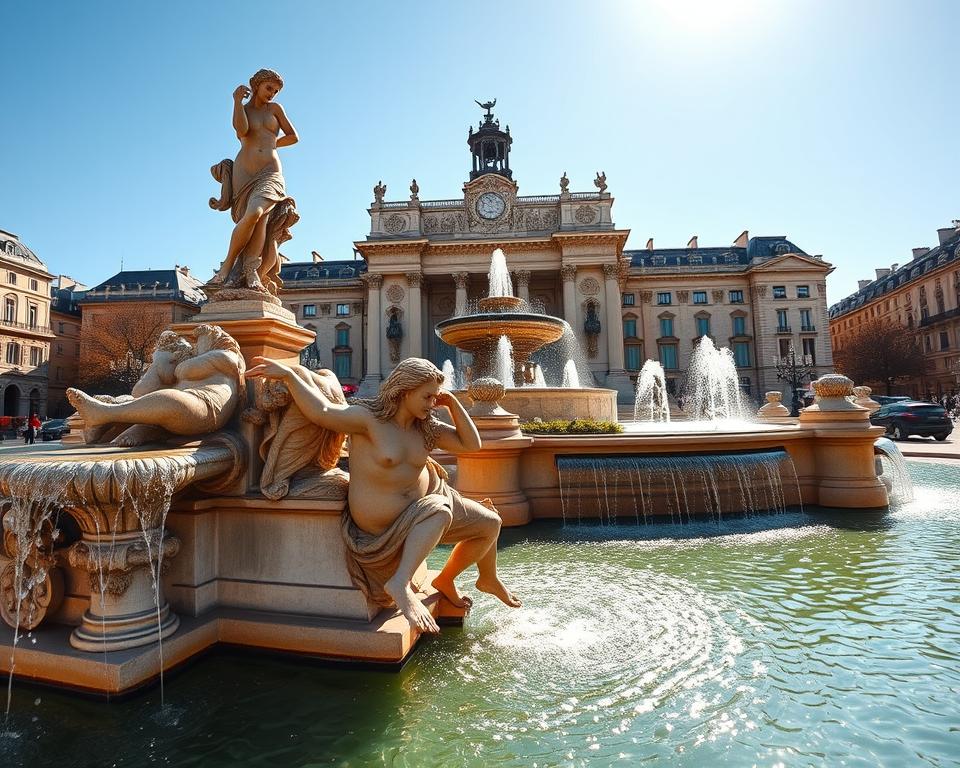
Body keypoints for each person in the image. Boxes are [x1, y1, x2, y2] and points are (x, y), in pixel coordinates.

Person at [244, 356, 521, 634]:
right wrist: (291, 377)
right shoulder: (368, 420)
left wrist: (452, 402)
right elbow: (323, 411)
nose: (431, 403)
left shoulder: (426, 428)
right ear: (405, 391)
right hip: (386, 519)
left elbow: (471, 445)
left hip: (427, 505)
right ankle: (399, 584)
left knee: (490, 523)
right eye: (427, 397)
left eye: (435, 397)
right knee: (438, 509)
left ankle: (476, 578)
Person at [66, 325, 245, 446]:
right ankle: (105, 421)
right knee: (145, 401)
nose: (195, 347)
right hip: (191, 407)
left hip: (206, 408)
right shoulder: (205, 361)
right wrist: (159, 363)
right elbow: (142, 391)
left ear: (215, 339)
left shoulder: (226, 357)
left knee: (170, 400)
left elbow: (183, 370)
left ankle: (104, 414)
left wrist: (168, 362)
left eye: (200, 342)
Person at [208, 69, 299, 295]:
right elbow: (242, 130)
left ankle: (227, 266)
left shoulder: (275, 109)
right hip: (244, 172)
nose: (272, 94)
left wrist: (272, 144)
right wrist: (237, 102)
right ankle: (250, 272)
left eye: (276, 91)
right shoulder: (243, 109)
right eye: (269, 88)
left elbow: (293, 136)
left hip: (270, 171)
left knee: (256, 212)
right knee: (257, 221)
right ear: (256, 85)